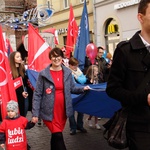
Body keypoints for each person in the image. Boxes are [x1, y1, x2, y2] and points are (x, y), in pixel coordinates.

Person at [106, 0, 150, 149]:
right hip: (139, 127)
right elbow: (112, 89)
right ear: (140, 17)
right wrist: (144, 98)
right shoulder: (125, 50)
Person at [31, 47, 90, 150]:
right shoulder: (43, 74)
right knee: (58, 135)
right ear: (50, 58)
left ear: (62, 57)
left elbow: (72, 88)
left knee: (55, 136)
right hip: (49, 111)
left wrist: (82, 89)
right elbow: (37, 94)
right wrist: (35, 113)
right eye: (53, 56)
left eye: (58, 56)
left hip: (62, 111)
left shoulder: (67, 72)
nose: (56, 58)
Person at [68, 57, 87, 135]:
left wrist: (77, 77)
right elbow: (71, 84)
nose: (76, 67)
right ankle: (73, 128)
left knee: (81, 111)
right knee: (71, 112)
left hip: (79, 93)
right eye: (74, 66)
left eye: (76, 65)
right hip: (71, 94)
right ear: (70, 65)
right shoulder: (67, 72)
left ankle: (80, 125)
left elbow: (84, 80)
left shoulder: (78, 71)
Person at [9, 51, 29, 117]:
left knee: (25, 111)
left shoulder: (22, 68)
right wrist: (21, 92)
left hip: (24, 94)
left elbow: (25, 82)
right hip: (16, 95)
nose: (20, 58)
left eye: (20, 56)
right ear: (13, 59)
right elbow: (12, 85)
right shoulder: (10, 71)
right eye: (17, 57)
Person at [85, 65, 101, 130]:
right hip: (91, 95)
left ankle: (96, 123)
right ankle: (89, 118)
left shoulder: (97, 78)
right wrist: (90, 82)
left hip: (96, 95)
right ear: (92, 72)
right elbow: (86, 85)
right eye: (96, 71)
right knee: (93, 109)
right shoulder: (88, 79)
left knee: (96, 109)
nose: (97, 72)